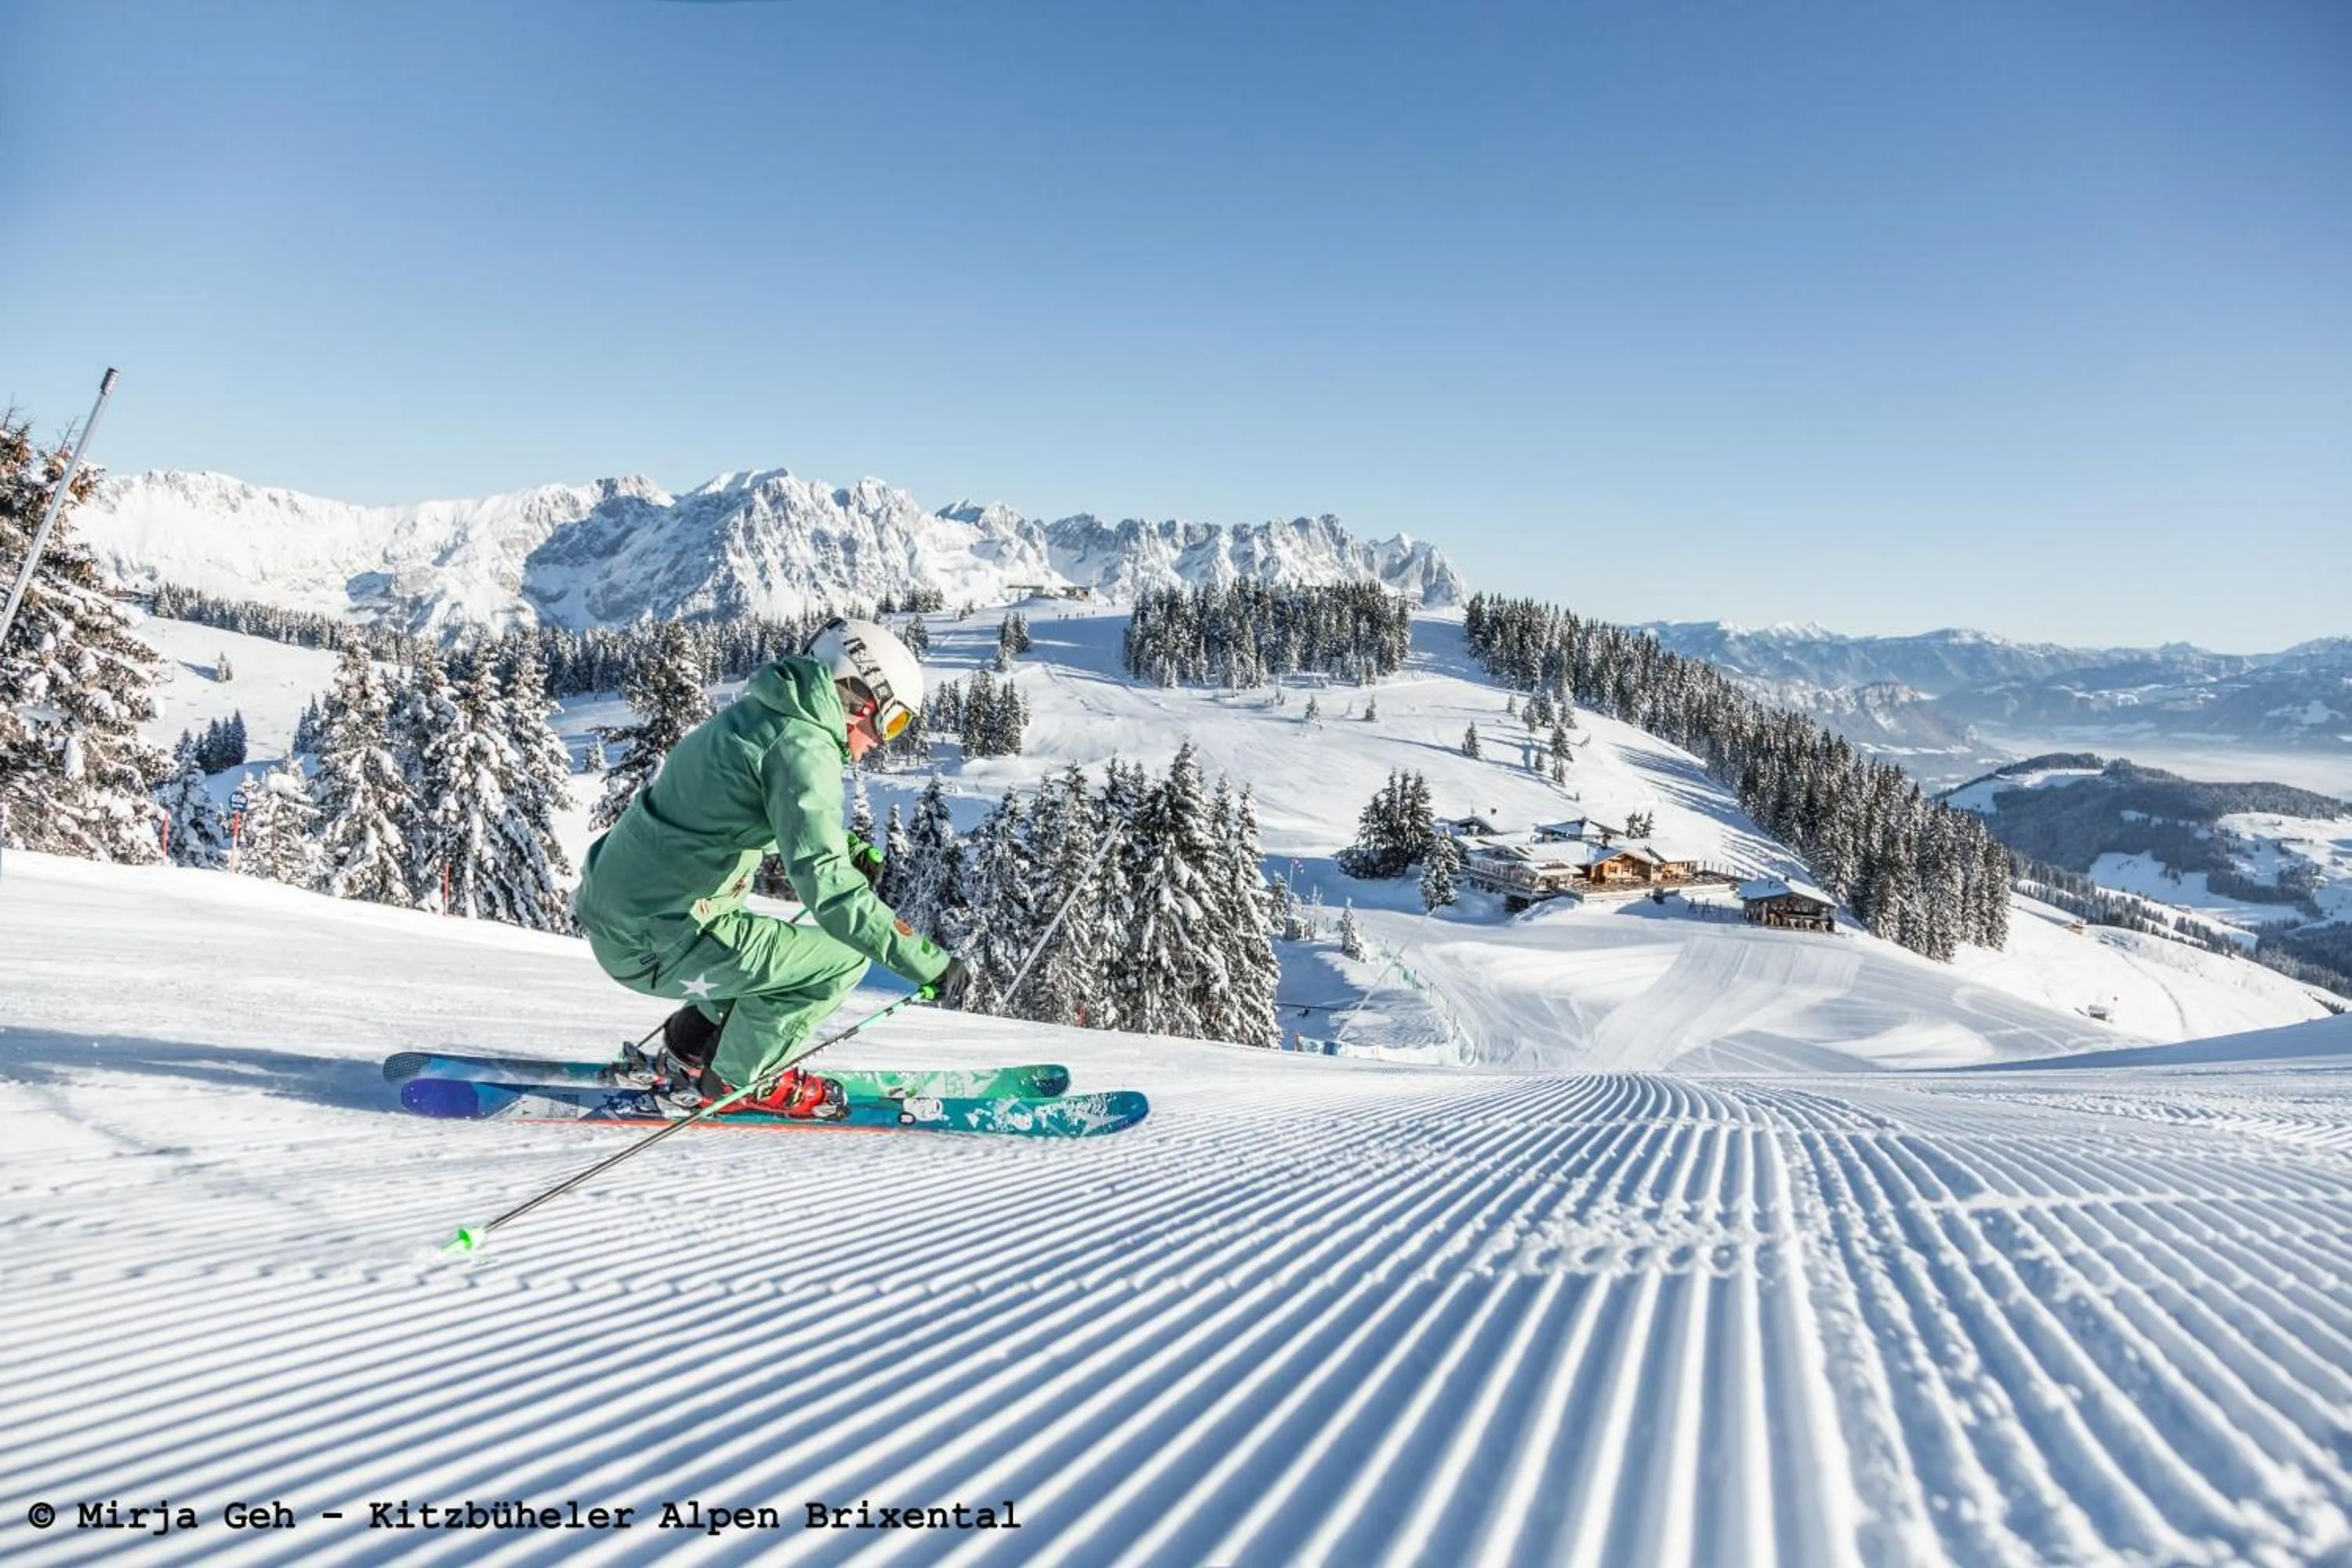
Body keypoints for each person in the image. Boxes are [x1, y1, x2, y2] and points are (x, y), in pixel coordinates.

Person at [572, 616, 971, 1118]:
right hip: (658, 940)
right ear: (859, 696)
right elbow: (830, 891)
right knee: (842, 958)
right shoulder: (803, 745)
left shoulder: (762, 715)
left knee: (766, 952)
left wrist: (839, 848)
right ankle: (741, 1079)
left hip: (623, 917)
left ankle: (688, 1050)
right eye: (889, 722)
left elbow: (750, 811)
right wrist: (930, 962)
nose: (880, 742)